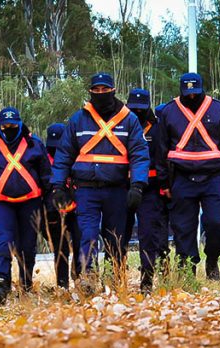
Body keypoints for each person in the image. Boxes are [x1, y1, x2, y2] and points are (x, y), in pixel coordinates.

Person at [51, 72, 150, 293]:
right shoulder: (78, 119)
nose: (100, 94)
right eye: (96, 90)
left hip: (117, 189)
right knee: (87, 234)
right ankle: (88, 278)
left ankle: (115, 278)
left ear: (113, 90)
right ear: (90, 92)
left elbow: (140, 155)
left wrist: (138, 185)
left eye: (104, 90)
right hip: (86, 190)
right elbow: (64, 154)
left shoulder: (129, 120)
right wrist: (58, 186)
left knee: (115, 238)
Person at [155, 72, 220, 280]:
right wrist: (164, 182)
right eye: (187, 93)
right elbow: (160, 149)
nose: (191, 97)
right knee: (183, 228)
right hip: (181, 178)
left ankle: (212, 258)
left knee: (218, 222)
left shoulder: (218, 109)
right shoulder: (168, 111)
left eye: (195, 92)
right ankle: (188, 270)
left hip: (214, 177)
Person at [0, 107, 50, 302]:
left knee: (28, 246)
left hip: (31, 204)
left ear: (20, 124)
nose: (8, 128)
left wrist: (49, 206)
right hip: (2, 205)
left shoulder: (35, 145)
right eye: (4, 125)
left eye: (12, 125)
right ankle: (1, 285)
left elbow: (47, 177)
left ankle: (25, 284)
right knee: (2, 243)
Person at [124, 88, 170, 293]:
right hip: (124, 186)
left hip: (151, 189)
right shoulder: (120, 125)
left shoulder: (158, 128)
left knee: (150, 235)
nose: (137, 113)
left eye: (141, 109)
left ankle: (148, 279)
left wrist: (163, 184)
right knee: (118, 233)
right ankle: (114, 276)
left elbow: (163, 157)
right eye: (134, 109)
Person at [43, 122, 81, 289]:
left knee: (81, 242)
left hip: (77, 208)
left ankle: (80, 278)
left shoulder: (76, 154)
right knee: (60, 248)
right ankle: (62, 284)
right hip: (52, 212)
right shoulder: (42, 160)